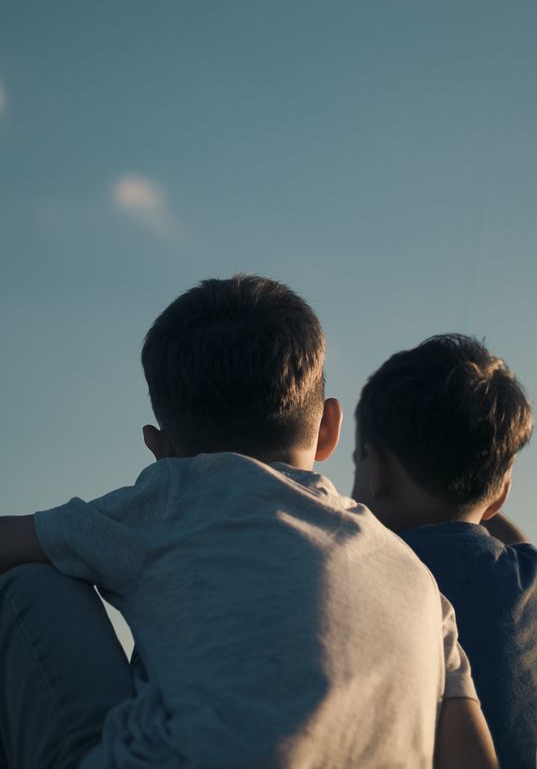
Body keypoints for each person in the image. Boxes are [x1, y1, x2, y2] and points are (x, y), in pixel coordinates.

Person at [0, 280, 495, 769]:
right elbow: (472, 754)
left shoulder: (174, 495)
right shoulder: (417, 579)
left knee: (33, 579)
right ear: (329, 428)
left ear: (161, 450)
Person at [352, 333, 536, 769]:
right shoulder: (527, 579)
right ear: (501, 494)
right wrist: (487, 488)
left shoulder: (363, 571)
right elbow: (518, 542)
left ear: (376, 468)